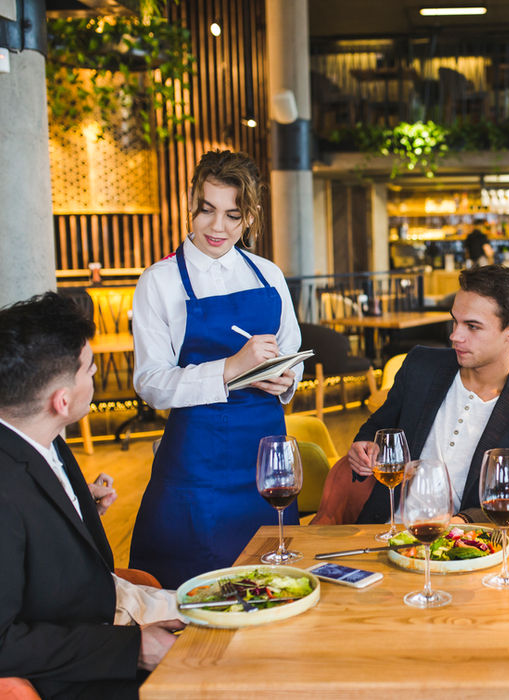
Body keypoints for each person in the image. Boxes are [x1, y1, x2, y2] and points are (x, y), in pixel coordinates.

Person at [129, 150, 303, 589]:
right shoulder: (160, 280)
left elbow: (292, 350)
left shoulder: (269, 275)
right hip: (196, 468)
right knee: (194, 593)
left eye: (232, 214)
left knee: (273, 586)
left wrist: (286, 379)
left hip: (267, 464)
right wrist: (229, 367)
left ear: (249, 217)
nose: (217, 227)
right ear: (192, 202)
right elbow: (150, 383)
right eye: (207, 210)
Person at [0, 292, 184, 699]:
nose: (94, 378)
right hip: (78, 673)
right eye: (90, 370)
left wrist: (77, 506)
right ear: (61, 400)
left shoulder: (38, 435)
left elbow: (34, 527)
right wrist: (134, 649)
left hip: (106, 613)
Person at [318, 265, 509, 524]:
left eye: (472, 326)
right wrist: (363, 446)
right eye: (455, 321)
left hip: (462, 547)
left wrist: (460, 525)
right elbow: (378, 426)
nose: (455, 336)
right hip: (382, 532)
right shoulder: (421, 366)